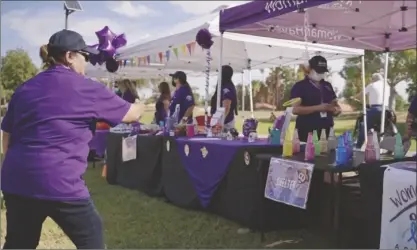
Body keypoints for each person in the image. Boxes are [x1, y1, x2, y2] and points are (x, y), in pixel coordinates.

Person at [1, 29, 144, 249]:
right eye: (84, 57)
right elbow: (132, 114)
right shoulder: (86, 88)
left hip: (16, 179)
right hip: (60, 182)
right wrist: (141, 103)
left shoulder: (24, 89)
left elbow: (7, 134)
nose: (86, 63)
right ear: (69, 56)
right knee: (92, 240)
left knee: (19, 244)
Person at [290, 55, 341, 142]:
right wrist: (319, 108)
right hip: (306, 132)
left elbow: (335, 104)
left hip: (327, 131)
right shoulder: (299, 86)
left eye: (323, 71)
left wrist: (336, 110)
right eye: (318, 71)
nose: (320, 74)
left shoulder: (327, 85)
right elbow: (295, 109)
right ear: (309, 69)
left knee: (328, 154)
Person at [352, 73, 390, 148]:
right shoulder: (387, 86)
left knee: (364, 125)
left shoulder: (372, 85)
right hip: (387, 110)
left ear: (373, 79)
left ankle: (358, 145)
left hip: (376, 109)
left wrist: (353, 97)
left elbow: (361, 94)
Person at [210, 65, 238, 129]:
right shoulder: (222, 86)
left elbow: (226, 106)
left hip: (225, 124)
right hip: (219, 122)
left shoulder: (227, 87)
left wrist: (220, 122)